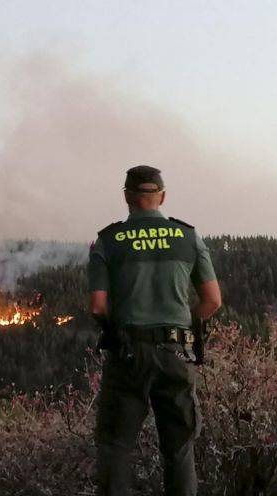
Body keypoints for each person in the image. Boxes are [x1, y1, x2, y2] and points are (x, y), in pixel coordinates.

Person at [88, 165, 222, 496]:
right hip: (176, 353)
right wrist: (183, 327)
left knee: (116, 447)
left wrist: (118, 327)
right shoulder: (189, 237)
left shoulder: (108, 240)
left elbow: (97, 305)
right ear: (162, 196)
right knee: (179, 449)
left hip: (128, 354)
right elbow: (213, 301)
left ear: (127, 197)